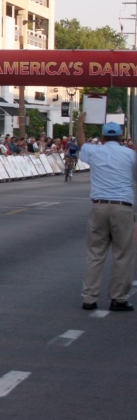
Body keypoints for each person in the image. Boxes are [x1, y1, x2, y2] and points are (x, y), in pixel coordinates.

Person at [77, 115, 136, 312]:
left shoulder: (95, 152)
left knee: (95, 254)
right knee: (122, 255)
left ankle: (89, 297)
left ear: (102, 138)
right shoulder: (130, 154)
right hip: (122, 206)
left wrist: (80, 124)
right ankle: (118, 297)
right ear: (121, 138)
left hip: (99, 205)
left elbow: (81, 143)